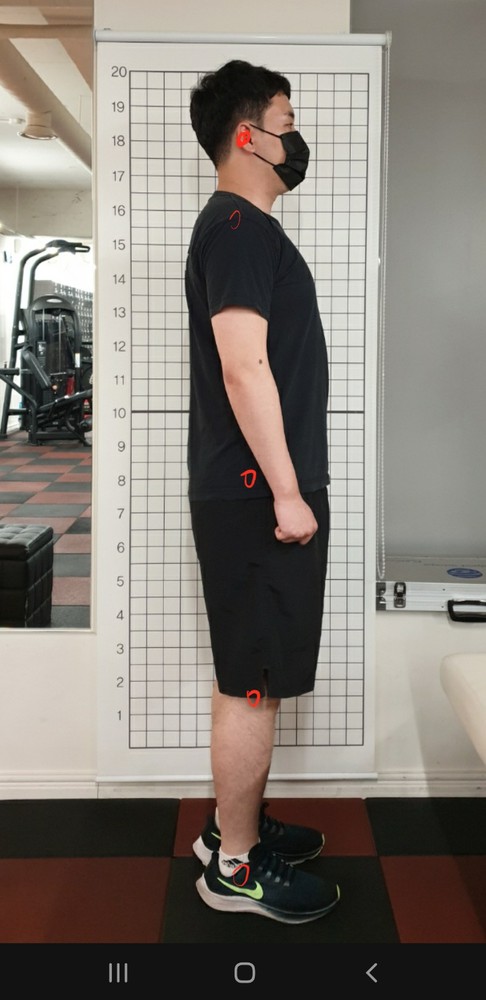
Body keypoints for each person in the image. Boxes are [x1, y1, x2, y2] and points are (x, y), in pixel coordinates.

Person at [185, 59, 338, 923]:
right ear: (249, 136)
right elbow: (243, 368)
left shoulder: (244, 229)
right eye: (287, 120)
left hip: (252, 491)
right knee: (253, 682)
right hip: (255, 495)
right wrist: (286, 491)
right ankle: (234, 870)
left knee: (257, 674)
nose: (296, 136)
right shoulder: (239, 228)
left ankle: (229, 829)